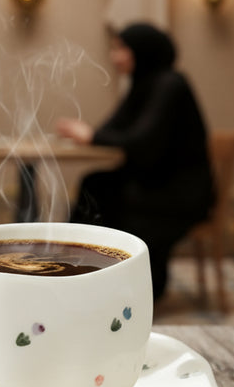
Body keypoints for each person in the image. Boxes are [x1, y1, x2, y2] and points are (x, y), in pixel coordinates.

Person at [56, 22, 214, 300]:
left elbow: (143, 141)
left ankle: (124, 283)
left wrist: (91, 135)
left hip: (179, 192)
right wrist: (92, 135)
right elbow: (115, 131)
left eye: (121, 49)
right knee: (95, 184)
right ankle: (81, 273)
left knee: (110, 194)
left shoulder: (170, 84)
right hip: (153, 181)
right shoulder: (143, 85)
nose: (115, 57)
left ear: (142, 51)